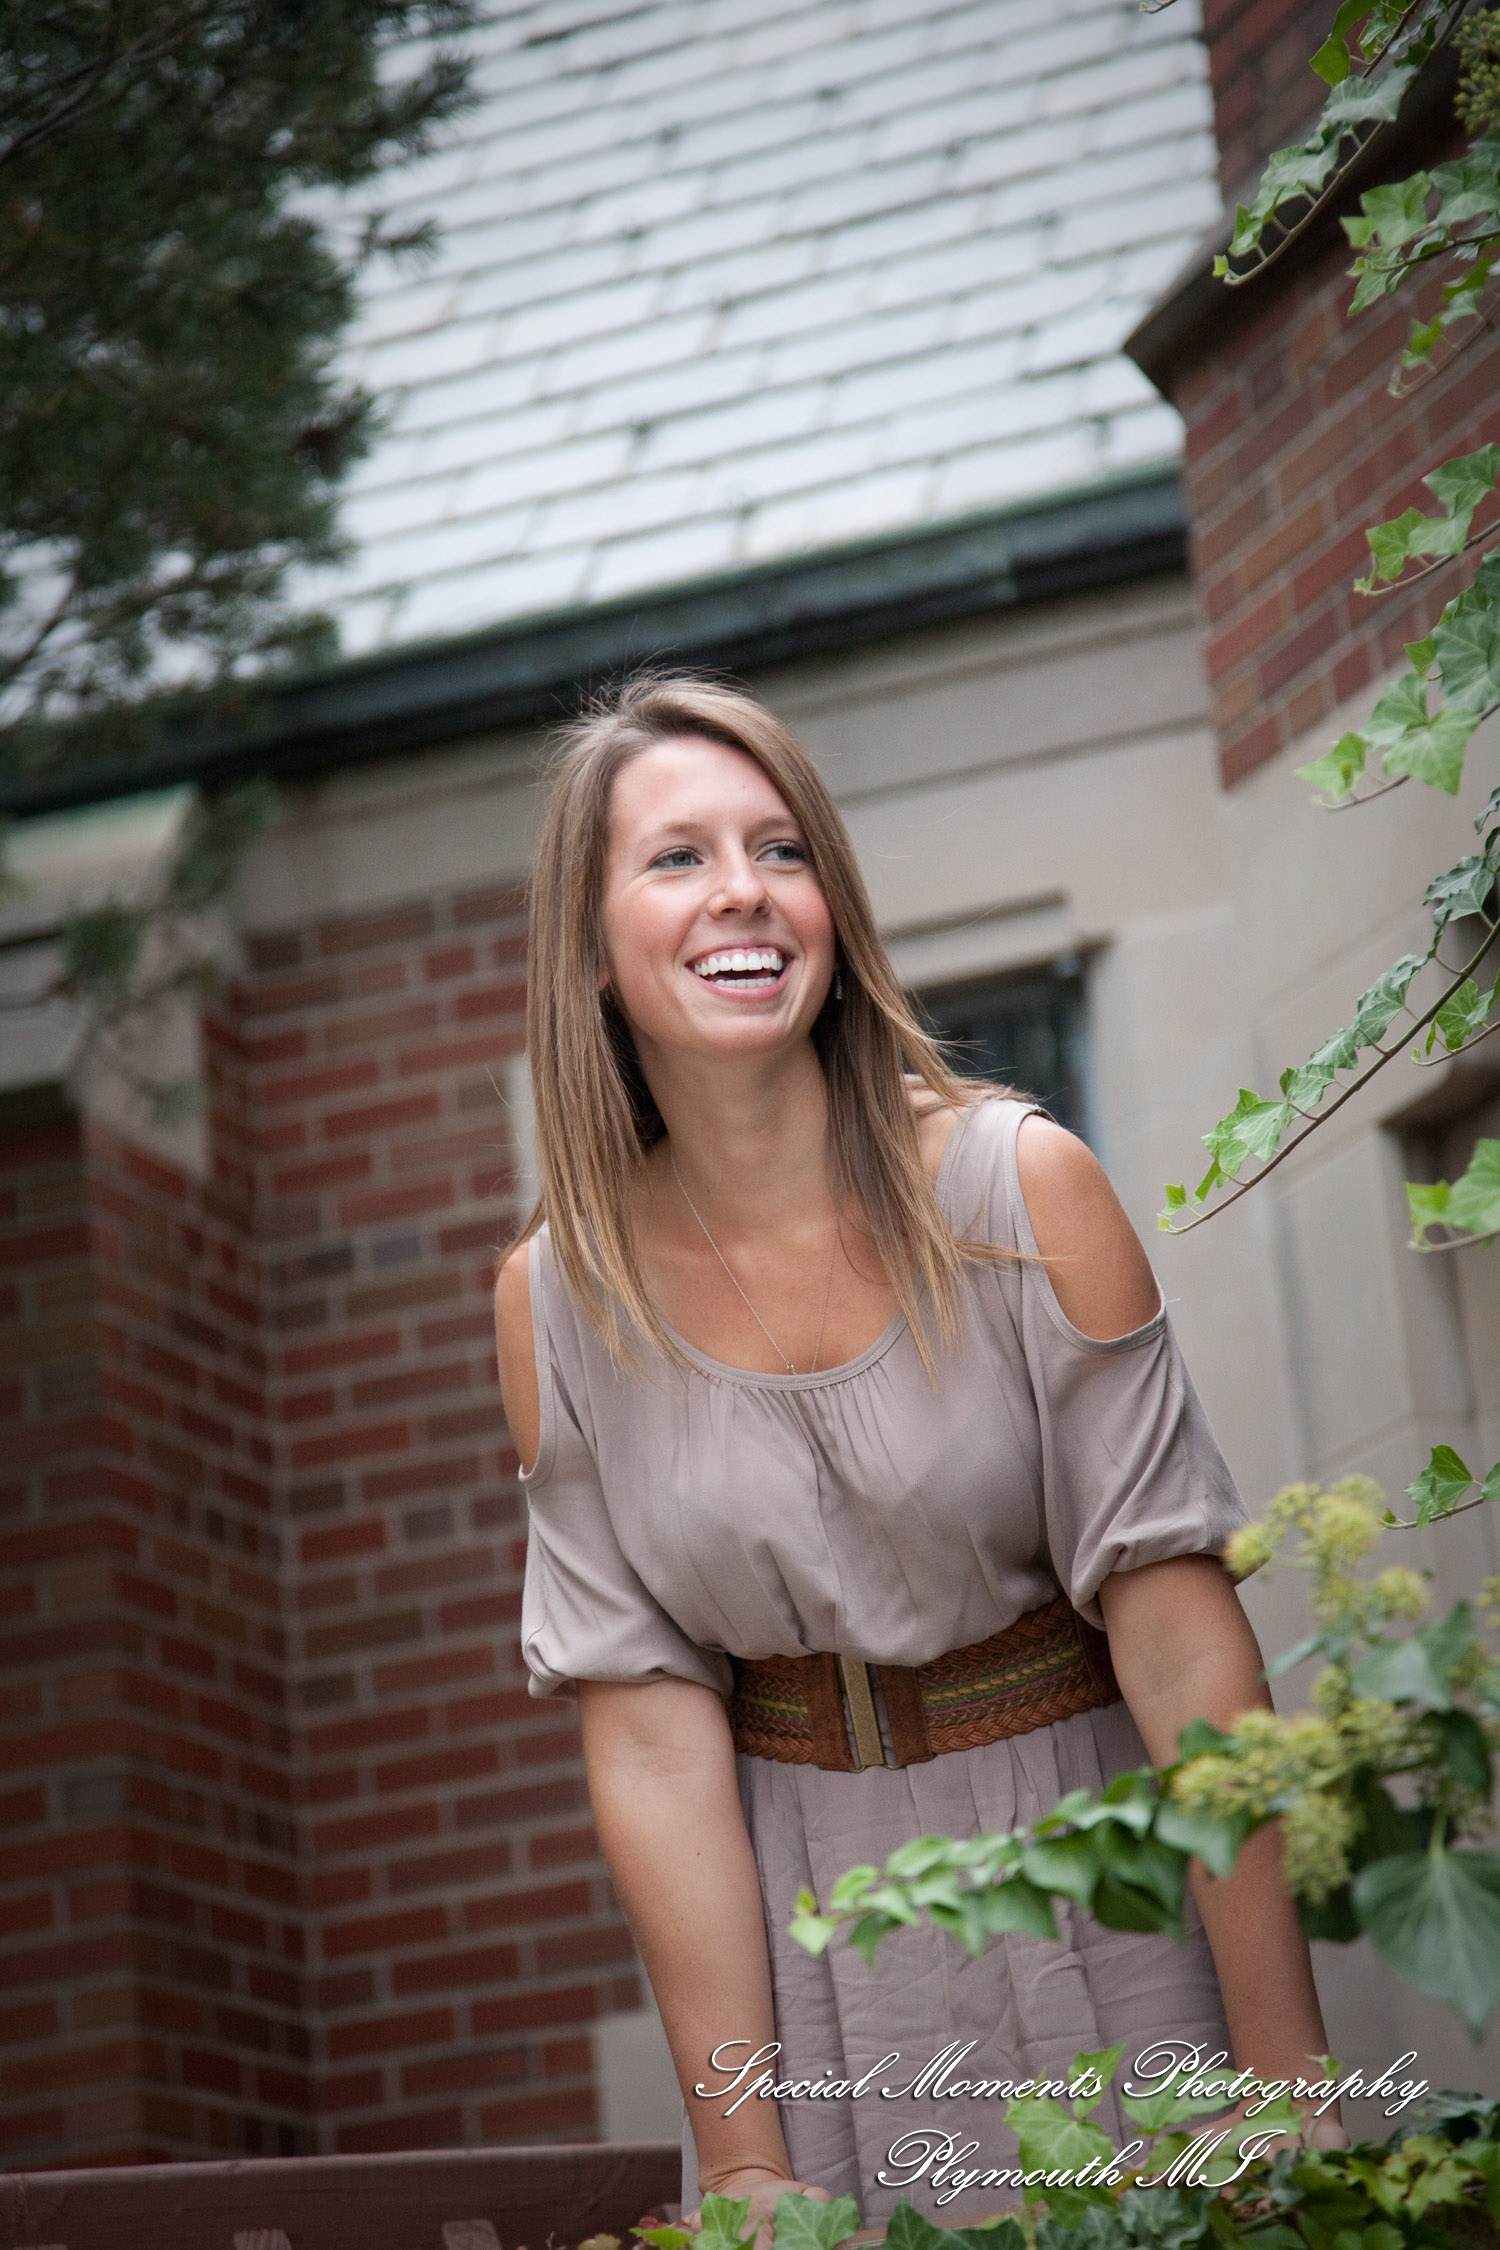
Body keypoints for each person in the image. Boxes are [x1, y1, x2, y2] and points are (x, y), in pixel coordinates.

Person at [493, 675, 1333, 2229]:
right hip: (813, 1943)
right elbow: (652, 1741)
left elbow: (1173, 1627)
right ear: (588, 945)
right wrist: (745, 2156)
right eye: (677, 858)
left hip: (1103, 1869)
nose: (743, 889)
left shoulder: (1025, 1190)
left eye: (781, 847)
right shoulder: (555, 1303)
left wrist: (1289, 2075)